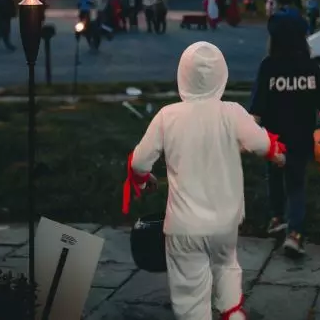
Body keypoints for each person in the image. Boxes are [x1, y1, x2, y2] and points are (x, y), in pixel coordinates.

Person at [123, 42, 286, 320]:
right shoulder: (232, 113)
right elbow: (264, 145)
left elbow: (139, 162)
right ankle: (231, 312)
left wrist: (143, 176)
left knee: (190, 290)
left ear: (182, 76)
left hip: (184, 226)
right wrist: (280, 155)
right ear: (221, 76)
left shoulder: (167, 116)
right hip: (224, 222)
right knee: (226, 267)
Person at [249, 15, 320, 258]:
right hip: (301, 139)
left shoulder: (268, 67)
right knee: (296, 185)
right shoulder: (312, 68)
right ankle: (295, 235)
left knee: (275, 177)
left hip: (273, 140)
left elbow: (256, 111)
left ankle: (277, 217)